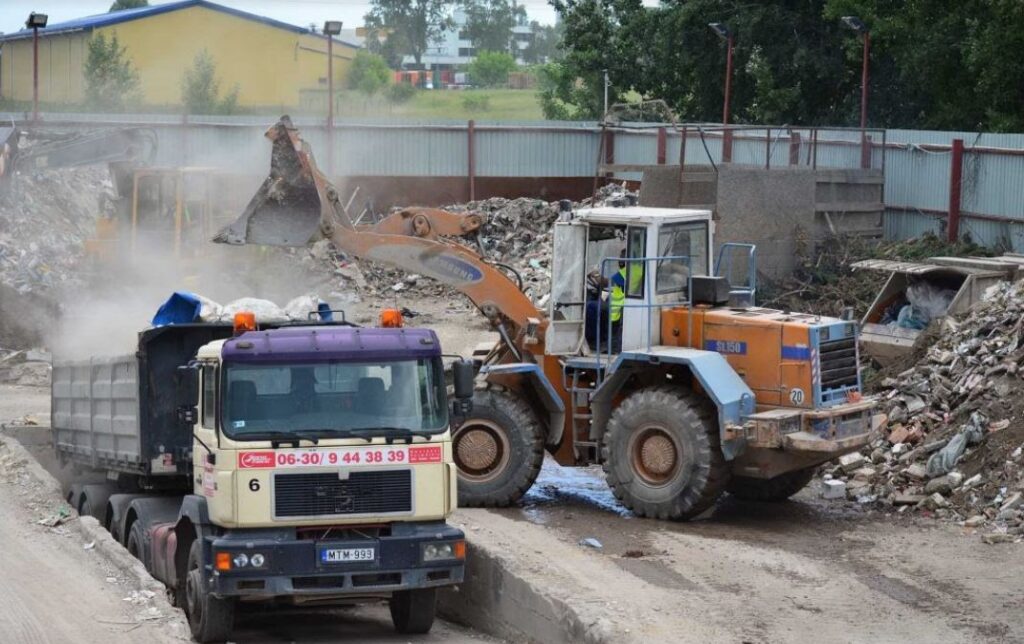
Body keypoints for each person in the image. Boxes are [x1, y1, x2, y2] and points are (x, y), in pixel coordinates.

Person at [585, 250, 643, 353]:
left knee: (590, 306)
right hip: (621, 304)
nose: (619, 260)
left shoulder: (629, 271)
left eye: (621, 257)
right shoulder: (638, 269)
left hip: (617, 307)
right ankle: (603, 339)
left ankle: (592, 341)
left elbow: (607, 282)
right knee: (602, 302)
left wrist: (595, 275)